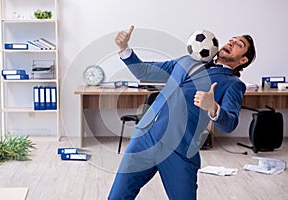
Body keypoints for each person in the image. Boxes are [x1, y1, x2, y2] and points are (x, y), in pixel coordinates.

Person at [108, 25, 256, 200]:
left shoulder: (232, 83)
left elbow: (230, 123)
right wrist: (124, 48)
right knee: (117, 197)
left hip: (179, 149)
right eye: (231, 39)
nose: (231, 43)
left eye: (239, 44)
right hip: (145, 138)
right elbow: (144, 71)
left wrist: (213, 107)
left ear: (243, 60)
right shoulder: (187, 60)